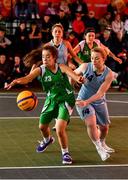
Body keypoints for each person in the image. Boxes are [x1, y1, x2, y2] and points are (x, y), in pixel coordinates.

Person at [6, 44, 84, 165]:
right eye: (43, 57)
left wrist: (79, 79)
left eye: (48, 57)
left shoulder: (61, 67)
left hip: (65, 100)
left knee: (59, 129)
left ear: (54, 58)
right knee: (42, 127)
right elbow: (27, 78)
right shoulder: (41, 69)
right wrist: (16, 81)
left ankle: (65, 153)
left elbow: (73, 74)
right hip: (51, 100)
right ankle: (47, 140)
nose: (45, 59)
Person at [74, 47, 115, 161]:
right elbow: (72, 74)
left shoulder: (109, 74)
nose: (94, 61)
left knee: (104, 128)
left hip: (98, 101)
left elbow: (100, 93)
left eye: (97, 59)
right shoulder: (85, 67)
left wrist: (86, 101)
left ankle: (102, 143)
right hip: (82, 100)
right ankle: (99, 148)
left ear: (104, 59)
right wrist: (77, 79)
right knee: (91, 123)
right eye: (92, 58)